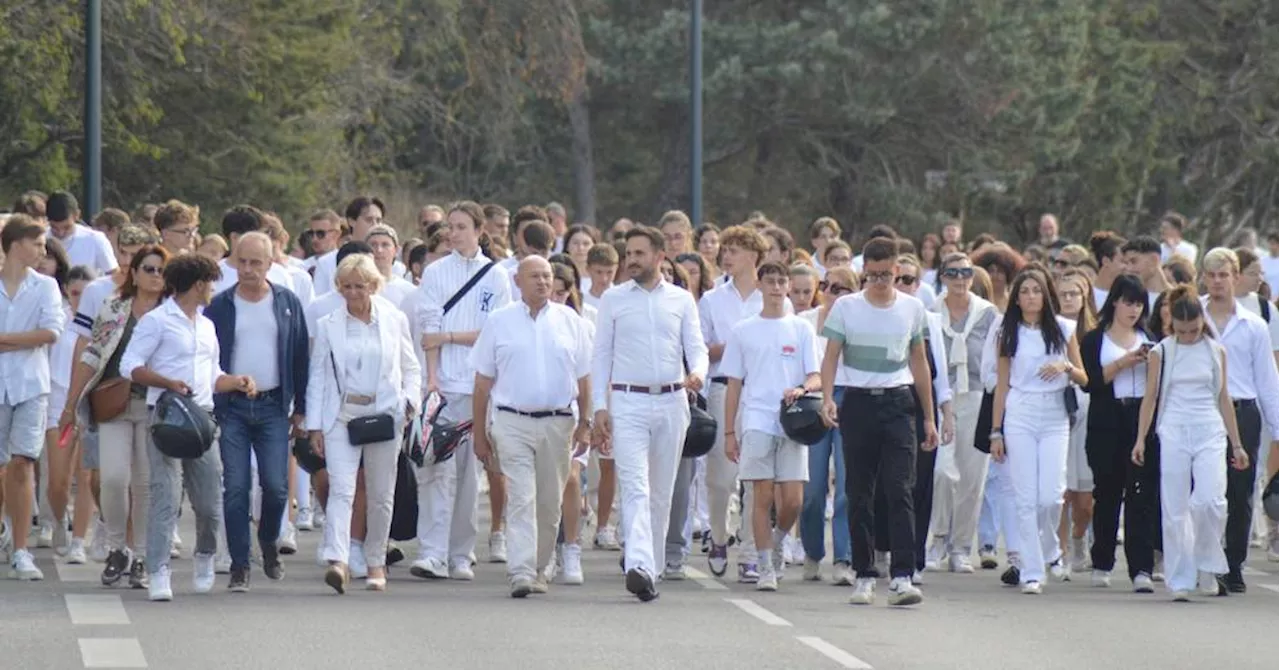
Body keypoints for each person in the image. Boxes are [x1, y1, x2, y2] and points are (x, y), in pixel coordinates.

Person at [119, 253, 255, 602]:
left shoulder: (207, 325)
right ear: (197, 285)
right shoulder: (157, 321)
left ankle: (205, 554)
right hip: (165, 417)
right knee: (165, 494)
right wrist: (166, 381)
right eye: (210, 282)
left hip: (203, 419)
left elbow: (212, 377)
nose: (213, 288)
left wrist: (236, 381)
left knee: (209, 501)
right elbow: (128, 365)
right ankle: (158, 569)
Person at [592, 226, 708, 602]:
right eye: (629, 254)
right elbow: (600, 356)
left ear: (660, 256)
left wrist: (698, 374)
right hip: (628, 402)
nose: (632, 260)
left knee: (661, 491)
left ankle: (651, 569)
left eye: (640, 253)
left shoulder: (681, 299)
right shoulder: (613, 299)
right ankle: (638, 564)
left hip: (673, 401)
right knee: (636, 486)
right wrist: (599, 407)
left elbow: (697, 346)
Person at [820, 236, 937, 607]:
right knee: (859, 491)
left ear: (898, 270)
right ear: (863, 273)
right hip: (857, 402)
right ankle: (864, 573)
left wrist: (929, 416)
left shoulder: (912, 309)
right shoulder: (846, 308)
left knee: (900, 488)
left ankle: (902, 575)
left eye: (886, 275)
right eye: (872, 276)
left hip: (898, 403)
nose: (880, 282)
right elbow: (831, 357)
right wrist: (826, 398)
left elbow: (919, 362)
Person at [471, 256, 593, 597]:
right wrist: (479, 433)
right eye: (535, 276)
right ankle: (521, 570)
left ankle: (541, 565)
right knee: (522, 495)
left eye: (547, 276)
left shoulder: (571, 322)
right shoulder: (498, 322)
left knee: (549, 500)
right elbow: (482, 383)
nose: (542, 282)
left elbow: (584, 379)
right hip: (511, 421)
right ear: (517, 280)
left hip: (558, 422)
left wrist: (585, 422)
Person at [306, 254, 421, 593]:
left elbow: (411, 367)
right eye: (346, 286)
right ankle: (339, 560)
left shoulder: (393, 318)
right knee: (342, 489)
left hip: (385, 415)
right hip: (342, 416)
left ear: (374, 286)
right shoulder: (328, 324)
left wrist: (410, 401)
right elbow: (318, 377)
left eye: (360, 286)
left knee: (382, 494)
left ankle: (375, 561)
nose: (353, 293)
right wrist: (314, 426)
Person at [205, 233, 310, 592]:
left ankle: (267, 540)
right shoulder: (220, 306)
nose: (247, 270)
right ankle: (239, 564)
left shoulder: (286, 303)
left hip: (273, 406)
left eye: (256, 263)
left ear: (270, 264)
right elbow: (207, 358)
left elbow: (299, 357)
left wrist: (302, 409)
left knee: (277, 487)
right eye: (242, 262)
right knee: (235, 487)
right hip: (232, 407)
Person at [413, 201, 512, 580]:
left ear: (478, 230)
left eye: (461, 226)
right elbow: (429, 326)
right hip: (444, 387)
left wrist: (452, 336)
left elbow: (494, 332)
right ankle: (432, 551)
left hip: (478, 388)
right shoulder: (436, 272)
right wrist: (433, 379)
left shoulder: (496, 277)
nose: (453, 233)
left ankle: (461, 553)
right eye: (450, 227)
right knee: (438, 470)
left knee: (470, 474)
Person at [61, 245, 170, 588]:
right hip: (114, 403)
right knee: (112, 479)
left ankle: (139, 555)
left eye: (160, 270)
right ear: (134, 274)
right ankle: (116, 547)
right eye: (147, 269)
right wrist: (71, 402)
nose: (154, 275)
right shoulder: (114, 308)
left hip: (153, 407)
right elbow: (92, 354)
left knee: (143, 483)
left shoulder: (172, 313)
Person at [1132, 286, 1247, 600]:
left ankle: (1207, 562)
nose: (1188, 336)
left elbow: (1224, 397)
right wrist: (1141, 438)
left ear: (1202, 321)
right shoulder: (1163, 351)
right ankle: (1180, 579)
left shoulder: (1215, 350)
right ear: (1172, 327)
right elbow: (1151, 397)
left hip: (1209, 428)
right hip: (1173, 430)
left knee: (1210, 501)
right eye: (1182, 331)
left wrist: (1236, 444)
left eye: (1194, 330)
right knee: (1175, 507)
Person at [721, 261, 820, 592]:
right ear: (760, 286)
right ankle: (764, 565)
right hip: (757, 419)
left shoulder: (801, 328)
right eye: (770, 282)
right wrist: (730, 432)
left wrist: (803, 389)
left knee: (792, 501)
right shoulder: (743, 330)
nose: (776, 288)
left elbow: (815, 374)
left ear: (788, 286)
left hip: (793, 420)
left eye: (781, 282)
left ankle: (777, 542)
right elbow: (733, 384)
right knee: (761, 494)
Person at [989, 268, 1088, 594]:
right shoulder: (1008, 332)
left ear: (1046, 294)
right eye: (1025, 291)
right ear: (1017, 298)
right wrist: (996, 431)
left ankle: (1051, 549)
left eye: (1036, 290)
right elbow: (1002, 385)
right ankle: (1033, 571)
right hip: (1020, 412)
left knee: (1050, 495)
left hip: (1054, 414)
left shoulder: (1063, 329)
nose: (1031, 296)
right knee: (1025, 498)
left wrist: (1066, 366)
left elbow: (1084, 377)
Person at [1200, 247, 1280, 592]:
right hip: (1202, 411)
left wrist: (1277, 429)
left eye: (1224, 275)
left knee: (1240, 491)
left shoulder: (1255, 325)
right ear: (1204, 278)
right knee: (1204, 491)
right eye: (1211, 275)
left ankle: (1233, 564)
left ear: (1235, 278)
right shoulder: (1193, 316)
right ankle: (1205, 559)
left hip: (1243, 410)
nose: (1218, 282)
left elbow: (1267, 380)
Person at [698, 224, 773, 582]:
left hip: (760, 394)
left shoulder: (772, 297)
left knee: (755, 476)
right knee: (721, 477)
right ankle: (717, 536)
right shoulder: (712, 299)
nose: (726, 256)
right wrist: (738, 345)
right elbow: (700, 349)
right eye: (724, 249)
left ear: (754, 256)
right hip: (722, 389)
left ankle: (749, 550)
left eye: (734, 250)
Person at [1080, 274, 1159, 591]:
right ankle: (1102, 561)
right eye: (1128, 302)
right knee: (1108, 492)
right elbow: (1091, 381)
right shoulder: (1095, 339)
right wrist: (1125, 362)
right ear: (1114, 301)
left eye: (1139, 303)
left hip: (1140, 418)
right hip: (1107, 418)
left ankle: (1141, 568)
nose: (1133, 309)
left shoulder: (1149, 337)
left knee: (1141, 496)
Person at [0, 215, 67, 580]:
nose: (44, 251)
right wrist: (23, 339)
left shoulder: (46, 287)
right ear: (15, 244)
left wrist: (4, 341)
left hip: (30, 385)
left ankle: (22, 550)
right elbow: (37, 334)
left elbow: (51, 332)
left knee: (23, 462)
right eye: (37, 243)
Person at [926, 252, 998, 574]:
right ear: (943, 277)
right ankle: (938, 537)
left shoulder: (988, 314)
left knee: (972, 478)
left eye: (965, 272)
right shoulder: (931, 313)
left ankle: (960, 546)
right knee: (942, 472)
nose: (959, 278)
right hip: (943, 396)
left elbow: (996, 360)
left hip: (978, 397)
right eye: (952, 272)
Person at [797, 266, 857, 584]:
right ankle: (812, 551)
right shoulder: (805, 322)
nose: (833, 293)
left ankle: (844, 558)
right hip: (813, 402)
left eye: (841, 288)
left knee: (847, 487)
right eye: (828, 287)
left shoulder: (859, 321)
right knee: (812, 488)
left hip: (850, 399)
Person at [44, 191, 118, 275]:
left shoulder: (95, 239)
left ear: (77, 215)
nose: (61, 233)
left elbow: (113, 274)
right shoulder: (40, 239)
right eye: (54, 228)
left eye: (67, 227)